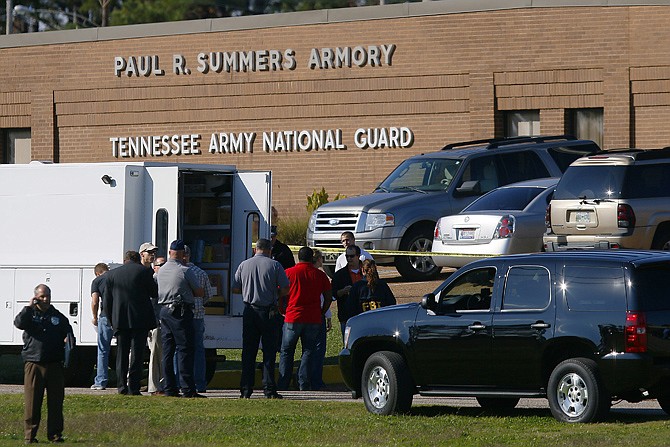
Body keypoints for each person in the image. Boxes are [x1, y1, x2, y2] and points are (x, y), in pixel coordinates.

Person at [14, 284, 73, 444]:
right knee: (32, 403)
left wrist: (68, 340)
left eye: (47, 295)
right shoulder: (29, 314)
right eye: (42, 296)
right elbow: (19, 323)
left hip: (54, 364)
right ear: (35, 297)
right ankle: (30, 436)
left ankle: (55, 435)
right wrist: (28, 306)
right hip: (34, 363)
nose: (45, 299)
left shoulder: (57, 316)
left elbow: (68, 332)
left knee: (55, 402)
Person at [232, 238, 289, 399]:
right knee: (269, 352)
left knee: (248, 352)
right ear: (269, 249)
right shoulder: (275, 265)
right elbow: (285, 288)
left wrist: (249, 290)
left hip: (249, 311)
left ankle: (245, 389)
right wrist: (275, 293)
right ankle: (269, 389)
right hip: (268, 312)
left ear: (255, 249)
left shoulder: (244, 265)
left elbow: (235, 288)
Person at [104, 250, 158, 395]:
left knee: (121, 353)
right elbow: (154, 292)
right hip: (139, 319)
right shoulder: (144, 272)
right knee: (137, 353)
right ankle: (133, 387)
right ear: (137, 259)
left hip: (119, 319)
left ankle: (121, 386)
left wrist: (111, 320)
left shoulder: (111, 275)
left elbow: (107, 302)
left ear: (124, 260)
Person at [278, 247, 332, 391]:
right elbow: (328, 297)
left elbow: (279, 293)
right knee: (308, 351)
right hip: (313, 317)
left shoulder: (289, 273)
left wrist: (282, 310)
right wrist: (322, 311)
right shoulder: (320, 275)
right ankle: (303, 383)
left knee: (287, 351)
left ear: (299, 258)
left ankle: (283, 383)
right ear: (311, 258)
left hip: (292, 316)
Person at [156, 240, 205, 398]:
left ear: (170, 252)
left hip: (164, 311)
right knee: (185, 350)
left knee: (168, 351)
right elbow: (199, 292)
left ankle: (169, 388)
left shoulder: (160, 271)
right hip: (180, 312)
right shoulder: (185, 270)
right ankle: (188, 389)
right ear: (183, 254)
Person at [183, 245, 214, 393]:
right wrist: (200, 303)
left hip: (182, 315)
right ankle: (200, 383)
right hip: (198, 315)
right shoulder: (201, 273)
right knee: (198, 351)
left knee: (180, 349)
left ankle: (180, 382)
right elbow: (208, 294)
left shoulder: (177, 272)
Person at [310, 249, 332, 390]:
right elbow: (325, 298)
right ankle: (316, 380)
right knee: (318, 350)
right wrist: (327, 315)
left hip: (299, 317)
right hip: (317, 316)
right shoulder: (319, 276)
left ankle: (304, 379)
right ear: (318, 260)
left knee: (307, 350)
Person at [331, 245, 364, 339]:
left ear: (358, 256)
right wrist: (342, 291)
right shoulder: (339, 275)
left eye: (352, 256)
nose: (349, 258)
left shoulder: (367, 271)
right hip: (347, 316)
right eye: (347, 256)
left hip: (365, 313)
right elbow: (333, 294)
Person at [90, 262, 110, 391]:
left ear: (97, 273)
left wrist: (95, 317)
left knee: (103, 349)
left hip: (106, 316)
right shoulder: (115, 277)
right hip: (121, 317)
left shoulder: (97, 281)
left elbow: (95, 301)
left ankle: (100, 381)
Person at [148, 255, 166, 395]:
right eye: (161, 265)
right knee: (156, 355)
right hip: (155, 322)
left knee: (160, 354)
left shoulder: (162, 279)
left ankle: (161, 384)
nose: (164, 267)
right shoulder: (154, 280)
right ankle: (155, 386)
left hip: (160, 321)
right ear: (155, 267)